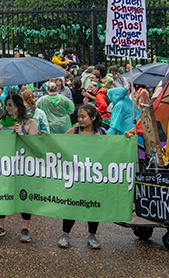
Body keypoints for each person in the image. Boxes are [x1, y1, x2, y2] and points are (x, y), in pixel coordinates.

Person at [0, 93, 38, 242]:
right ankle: (0, 226)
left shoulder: (30, 123)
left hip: (23, 166)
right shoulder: (0, 121)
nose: (9, 108)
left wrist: (22, 134)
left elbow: (35, 145)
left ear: (20, 106)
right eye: (7, 105)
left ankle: (25, 228)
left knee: (24, 195)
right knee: (1, 194)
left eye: (12, 105)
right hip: (5, 165)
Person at [60, 105, 107, 249]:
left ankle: (92, 235)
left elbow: (113, 148)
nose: (80, 119)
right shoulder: (74, 131)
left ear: (93, 118)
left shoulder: (103, 133)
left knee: (93, 205)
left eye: (83, 117)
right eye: (79, 117)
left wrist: (126, 140)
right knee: (72, 205)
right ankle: (65, 234)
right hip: (76, 176)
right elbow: (57, 142)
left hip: (94, 176)